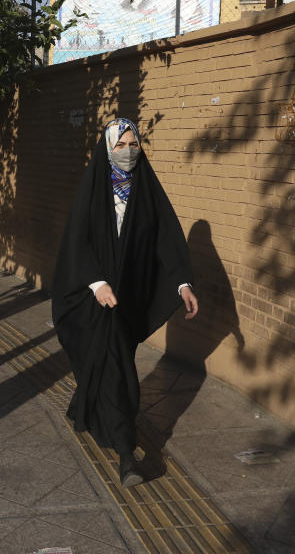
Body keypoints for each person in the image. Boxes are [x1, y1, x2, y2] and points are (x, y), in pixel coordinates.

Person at [51, 117, 199, 488]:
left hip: (127, 298)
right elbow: (76, 241)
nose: (129, 151)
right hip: (91, 297)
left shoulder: (146, 192)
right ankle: (106, 428)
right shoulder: (94, 190)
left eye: (134, 144)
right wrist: (97, 282)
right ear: (107, 148)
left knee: (115, 366)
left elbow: (166, 237)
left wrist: (182, 283)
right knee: (105, 365)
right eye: (121, 145)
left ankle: (107, 431)